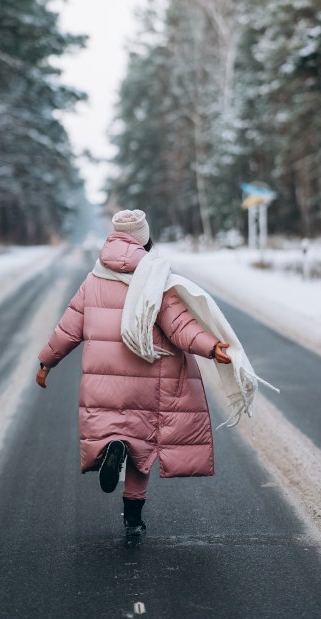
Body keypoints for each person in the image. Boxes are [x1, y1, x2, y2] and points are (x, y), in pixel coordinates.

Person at [36, 209, 231, 538]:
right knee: (143, 451)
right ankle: (133, 520)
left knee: (116, 430)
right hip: (147, 373)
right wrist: (211, 347)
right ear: (143, 237)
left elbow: (68, 328)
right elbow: (179, 324)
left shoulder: (94, 277)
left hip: (103, 381)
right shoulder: (154, 278)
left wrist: (46, 363)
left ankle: (113, 445)